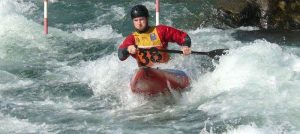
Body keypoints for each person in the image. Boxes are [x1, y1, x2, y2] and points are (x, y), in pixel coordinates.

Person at [118, 5, 192, 67]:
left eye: (141, 19)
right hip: (144, 72)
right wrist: (127, 49)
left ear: (147, 19)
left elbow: (184, 37)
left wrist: (186, 46)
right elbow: (120, 55)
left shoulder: (160, 30)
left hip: (166, 69)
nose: (139, 23)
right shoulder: (132, 38)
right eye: (136, 20)